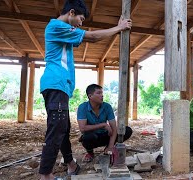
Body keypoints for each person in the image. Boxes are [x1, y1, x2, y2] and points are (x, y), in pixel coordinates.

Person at [39, 0, 132, 179]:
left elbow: (83, 39)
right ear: (71, 13)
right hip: (55, 84)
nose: (81, 23)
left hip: (60, 87)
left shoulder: (64, 33)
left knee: (63, 129)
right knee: (56, 130)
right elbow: (92, 36)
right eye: (81, 19)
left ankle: (71, 165)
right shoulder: (57, 26)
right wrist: (119, 28)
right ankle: (45, 175)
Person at [77, 84, 133, 162]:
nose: (102, 95)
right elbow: (82, 129)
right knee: (86, 138)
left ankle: (108, 148)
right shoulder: (83, 107)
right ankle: (90, 153)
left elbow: (114, 128)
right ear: (90, 96)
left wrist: (110, 146)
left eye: (102, 93)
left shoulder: (107, 107)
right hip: (94, 138)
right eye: (99, 93)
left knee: (127, 130)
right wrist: (103, 125)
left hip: (106, 135)